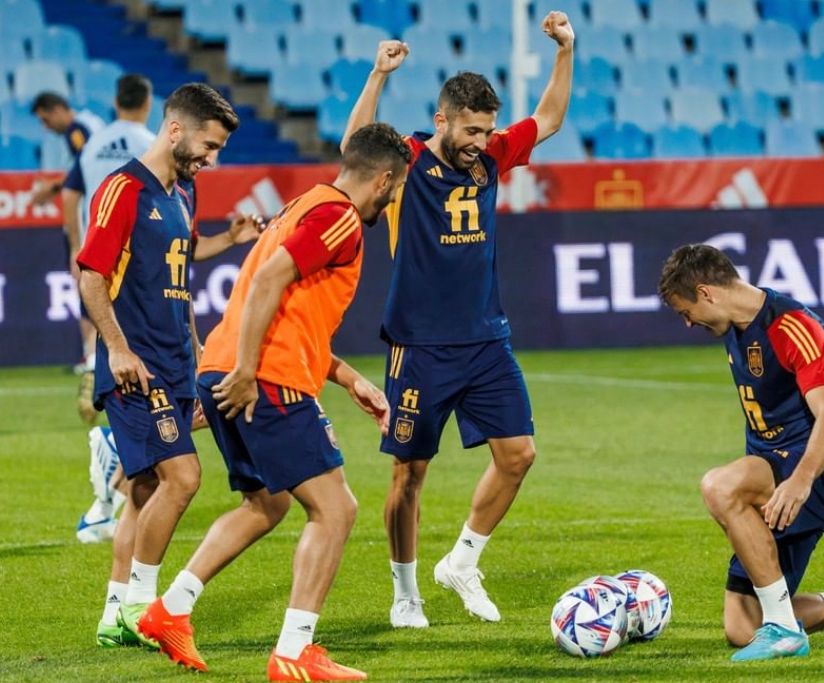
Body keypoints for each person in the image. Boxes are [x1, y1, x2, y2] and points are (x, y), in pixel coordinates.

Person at [137, 123, 410, 681]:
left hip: (230, 367)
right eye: (397, 187)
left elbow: (288, 308)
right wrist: (245, 371)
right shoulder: (339, 219)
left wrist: (348, 377)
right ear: (383, 179)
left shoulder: (306, 204)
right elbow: (266, 282)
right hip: (263, 377)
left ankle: (171, 608)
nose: (395, 197)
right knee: (336, 509)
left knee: (267, 504)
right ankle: (294, 652)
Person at [338, 11, 573, 628]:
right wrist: (378, 76)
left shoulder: (493, 156)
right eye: (470, 130)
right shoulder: (410, 159)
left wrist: (565, 52)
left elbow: (548, 120)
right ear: (442, 120)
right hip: (417, 344)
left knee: (518, 454)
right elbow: (354, 148)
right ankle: (405, 592)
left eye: (486, 130)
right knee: (409, 472)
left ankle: (463, 560)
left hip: (486, 340)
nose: (479, 141)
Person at [656, 244, 824, 662]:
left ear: (707, 292)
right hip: (780, 471)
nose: (687, 323)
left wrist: (800, 482)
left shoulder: (792, 326)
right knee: (741, 627)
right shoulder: (736, 326)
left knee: (720, 487)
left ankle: (785, 629)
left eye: (685, 311)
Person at [76, 83, 251, 649]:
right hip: (137, 366)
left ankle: (114, 615)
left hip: (176, 363)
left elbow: (181, 261)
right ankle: (142, 607)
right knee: (185, 476)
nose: (212, 158)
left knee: (146, 489)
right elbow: (91, 275)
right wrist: (119, 349)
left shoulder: (182, 192)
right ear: (175, 129)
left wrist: (230, 239)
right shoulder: (122, 188)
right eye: (209, 144)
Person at [66, 74, 156, 428]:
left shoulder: (92, 144)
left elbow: (71, 195)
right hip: (139, 253)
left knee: (100, 319)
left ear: (116, 102)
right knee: (141, 328)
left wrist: (76, 243)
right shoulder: (152, 145)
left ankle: (96, 375)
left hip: (97, 247)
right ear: (148, 105)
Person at [29, 91, 105, 207]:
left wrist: (53, 187)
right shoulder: (89, 122)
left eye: (45, 120)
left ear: (57, 110)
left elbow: (83, 168)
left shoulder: (76, 130)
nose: (45, 127)